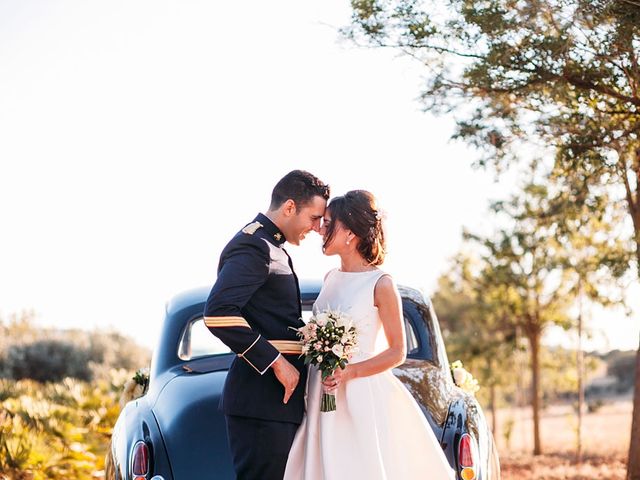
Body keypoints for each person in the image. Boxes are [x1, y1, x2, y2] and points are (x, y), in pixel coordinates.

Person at [284, 190, 456, 480]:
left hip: (359, 392)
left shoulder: (381, 283)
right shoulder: (330, 278)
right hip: (321, 388)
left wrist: (349, 372)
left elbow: (397, 351)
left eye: (328, 223)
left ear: (350, 232)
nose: (320, 229)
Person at [204, 170, 330, 480]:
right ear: (289, 207)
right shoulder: (253, 246)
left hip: (275, 405)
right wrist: (275, 362)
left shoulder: (274, 248)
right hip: (261, 403)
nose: (316, 228)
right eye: (314, 218)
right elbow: (218, 313)